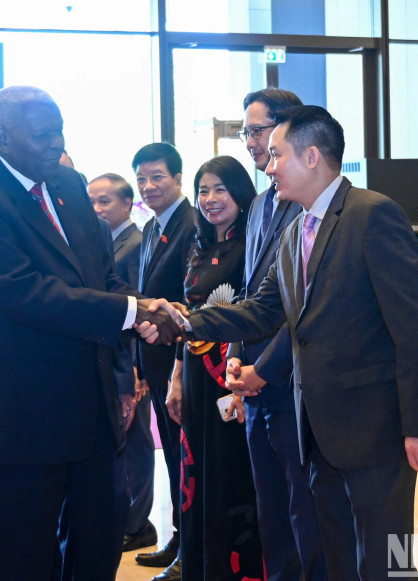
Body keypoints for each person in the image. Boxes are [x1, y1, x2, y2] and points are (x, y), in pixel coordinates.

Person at [147, 105, 418, 579]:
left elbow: (413, 327)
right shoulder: (295, 229)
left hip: (376, 425)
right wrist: (184, 322)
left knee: (389, 558)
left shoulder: (373, 214)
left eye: (276, 155)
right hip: (313, 426)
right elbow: (262, 311)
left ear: (311, 156)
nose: (268, 167)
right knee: (334, 552)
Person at [0, 85, 181, 580]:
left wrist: (139, 315)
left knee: (97, 546)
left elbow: (101, 274)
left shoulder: (70, 185)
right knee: (26, 555)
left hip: (92, 408)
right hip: (25, 414)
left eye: (59, 131)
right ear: (1, 137)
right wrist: (128, 308)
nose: (55, 143)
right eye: (42, 135)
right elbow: (25, 294)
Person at [227, 88, 326, 581]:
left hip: (292, 382)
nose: (250, 142)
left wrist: (263, 371)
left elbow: (301, 308)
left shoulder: (311, 207)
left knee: (303, 507)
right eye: (246, 132)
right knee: (270, 507)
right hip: (254, 379)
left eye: (258, 131)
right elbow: (253, 294)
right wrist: (235, 355)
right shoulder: (262, 204)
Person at [164, 155, 261, 579]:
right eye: (203, 190)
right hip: (196, 378)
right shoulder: (199, 246)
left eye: (220, 189)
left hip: (233, 381)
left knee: (231, 479)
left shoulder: (255, 245)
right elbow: (186, 315)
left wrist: (238, 386)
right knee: (197, 477)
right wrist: (176, 377)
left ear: (240, 192)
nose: (209, 199)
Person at [131, 142, 196, 581]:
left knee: (186, 461)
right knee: (171, 459)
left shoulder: (190, 225)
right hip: (154, 365)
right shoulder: (152, 228)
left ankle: (189, 551)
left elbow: (188, 305)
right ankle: (177, 538)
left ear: (176, 178)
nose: (149, 186)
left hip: (182, 367)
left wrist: (176, 370)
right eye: (141, 179)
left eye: (157, 177)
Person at [88, 173, 158, 551]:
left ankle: (136, 522)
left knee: (136, 442)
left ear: (127, 203)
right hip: (113, 358)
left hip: (130, 361)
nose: (97, 209)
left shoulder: (134, 243)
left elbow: (135, 306)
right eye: (92, 202)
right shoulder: (105, 241)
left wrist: (135, 368)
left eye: (105, 201)